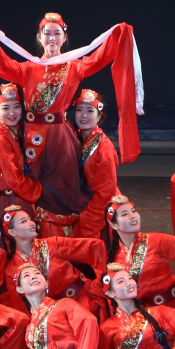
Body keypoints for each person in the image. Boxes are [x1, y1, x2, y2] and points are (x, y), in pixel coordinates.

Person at [0, 13, 145, 220]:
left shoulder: (74, 67)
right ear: (39, 37)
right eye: (47, 33)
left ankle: (68, 235)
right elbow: (0, 63)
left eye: (57, 33)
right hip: (30, 137)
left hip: (61, 138)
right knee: (34, 192)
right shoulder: (27, 69)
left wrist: (119, 34)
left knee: (63, 193)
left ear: (64, 38)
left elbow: (100, 57)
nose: (52, 38)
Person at [0, 204, 106, 316]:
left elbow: (94, 247)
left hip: (83, 302)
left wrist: (98, 284)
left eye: (30, 219)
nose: (32, 223)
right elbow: (19, 309)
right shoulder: (12, 270)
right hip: (56, 314)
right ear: (12, 232)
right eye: (24, 221)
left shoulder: (52, 244)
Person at [103, 195, 175, 309]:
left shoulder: (156, 241)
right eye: (124, 214)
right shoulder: (114, 255)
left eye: (133, 211)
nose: (132, 216)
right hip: (139, 313)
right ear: (113, 224)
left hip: (168, 310)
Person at [0, 83, 43, 250]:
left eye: (16, 107)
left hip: (19, 197)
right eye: (6, 108)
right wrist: (40, 190)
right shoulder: (0, 140)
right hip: (12, 201)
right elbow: (14, 179)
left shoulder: (14, 131)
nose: (12, 113)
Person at [72, 89, 120, 239]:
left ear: (99, 116)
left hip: (97, 210)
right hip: (82, 206)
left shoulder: (104, 148)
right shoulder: (74, 137)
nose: (83, 115)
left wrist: (87, 218)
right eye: (79, 110)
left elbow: (106, 191)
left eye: (89, 111)